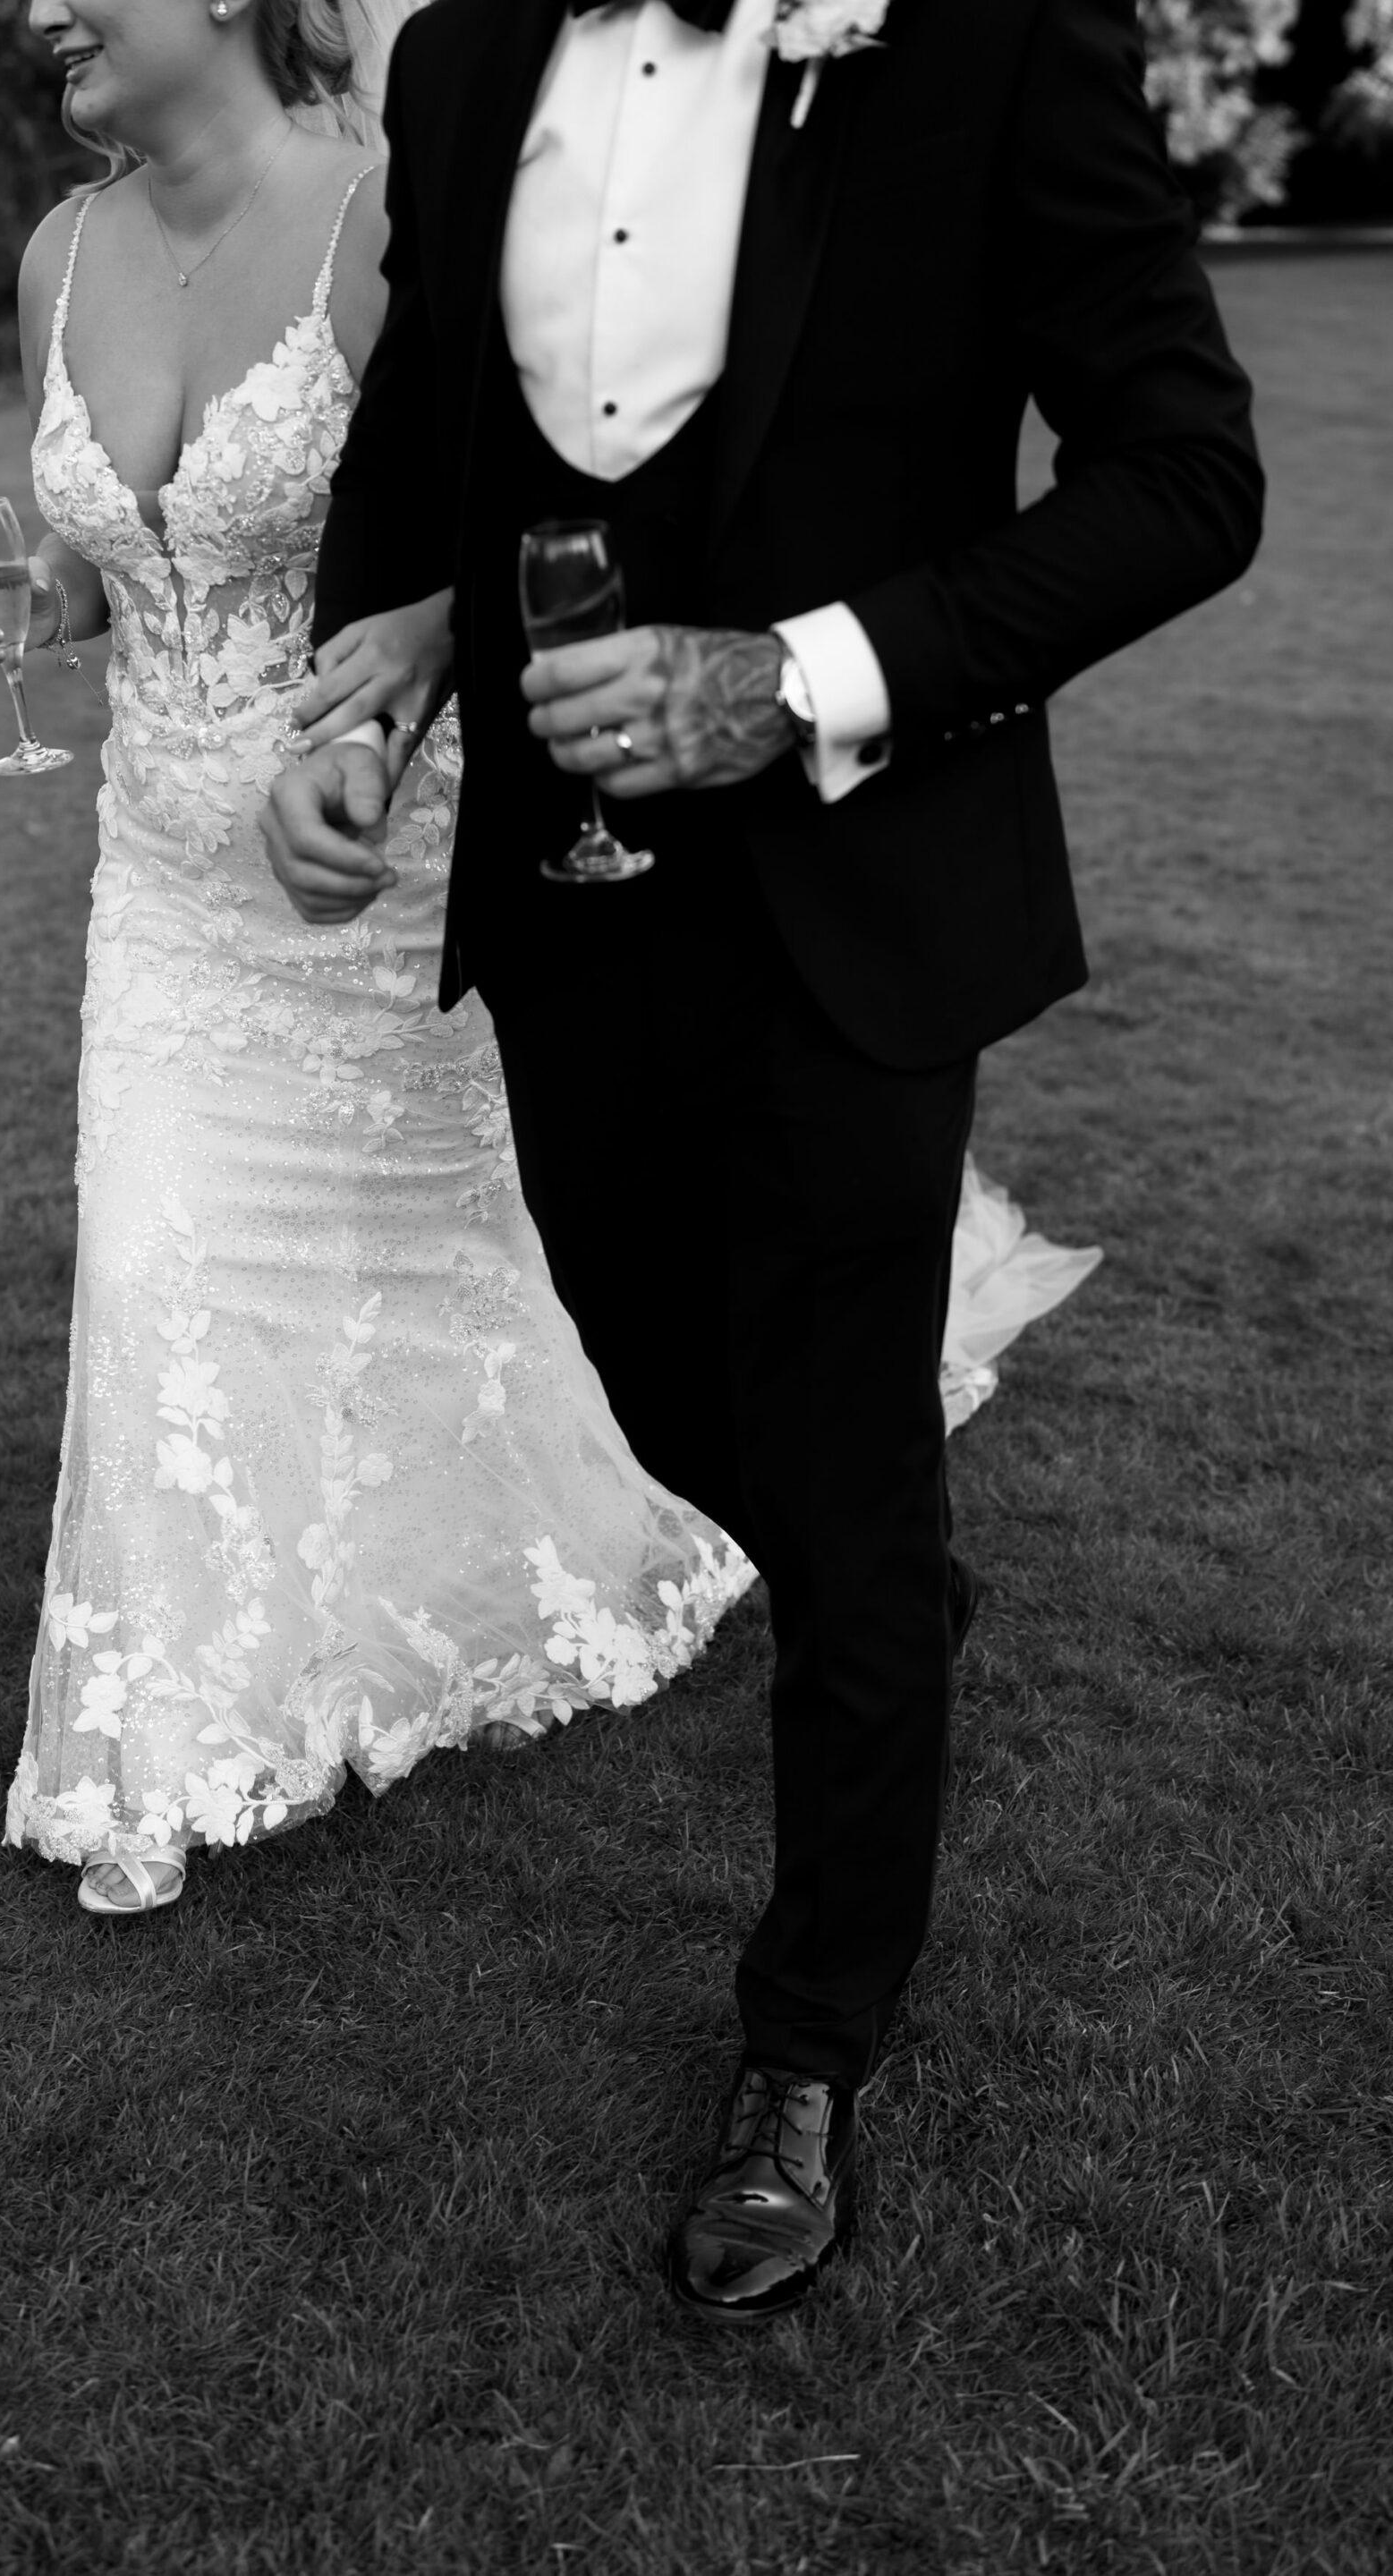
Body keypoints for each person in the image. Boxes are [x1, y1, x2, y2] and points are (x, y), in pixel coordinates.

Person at [263, 0, 1261, 2325]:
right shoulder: (465, 50)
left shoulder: (1000, 41)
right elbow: (434, 421)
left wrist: (797, 676)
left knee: (832, 1471)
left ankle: (807, 2053)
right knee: (656, 1400)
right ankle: (877, 1569)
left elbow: (1185, 475)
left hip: (854, 896)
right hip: (563, 894)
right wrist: (377, 670)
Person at [0, 5, 1092, 1938]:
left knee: (531, 1279)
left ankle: (801, 1550)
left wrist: (399, 707)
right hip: (162, 881)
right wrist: (48, 594)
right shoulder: (59, 253)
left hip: (388, 865)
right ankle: (194, 1716)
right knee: (152, 1270)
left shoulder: (392, 198)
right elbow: (111, 552)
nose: (40, 6)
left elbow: (497, 496)